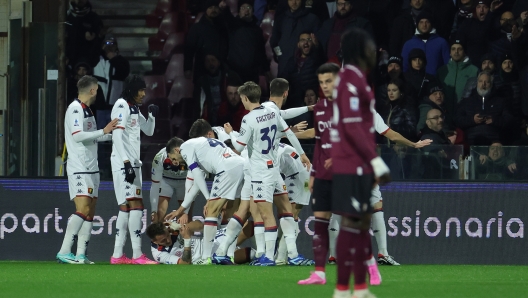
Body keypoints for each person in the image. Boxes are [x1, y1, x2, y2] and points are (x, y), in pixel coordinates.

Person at [331, 28, 390, 298]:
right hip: (352, 162)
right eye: (370, 47)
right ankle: (344, 290)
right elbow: (353, 126)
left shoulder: (354, 79)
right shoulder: (351, 82)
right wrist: (374, 160)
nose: (374, 51)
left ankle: (359, 288)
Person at [226, 81, 312, 266]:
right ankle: (294, 255)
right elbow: (289, 133)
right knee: (286, 210)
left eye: (241, 99)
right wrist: (303, 154)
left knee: (266, 215)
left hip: (260, 173)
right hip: (275, 171)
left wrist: (231, 134)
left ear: (246, 98)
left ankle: (268, 257)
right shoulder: (272, 113)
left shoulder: (248, 119)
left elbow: (239, 147)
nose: (241, 102)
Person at [162, 122, 244, 265]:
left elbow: (198, 178)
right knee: (230, 212)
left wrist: (209, 199)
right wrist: (181, 209)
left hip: (226, 168)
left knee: (212, 211)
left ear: (177, 150)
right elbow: (196, 185)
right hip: (241, 165)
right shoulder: (203, 145)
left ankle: (206, 258)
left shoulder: (185, 147)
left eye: (174, 158)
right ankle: (229, 255)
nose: (176, 162)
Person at [56, 76, 118, 264]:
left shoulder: (87, 111)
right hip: (79, 168)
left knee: (90, 212)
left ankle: (81, 254)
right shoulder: (75, 109)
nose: (97, 93)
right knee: (82, 209)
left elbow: (90, 138)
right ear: (92, 91)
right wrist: (103, 131)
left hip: (92, 168)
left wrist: (111, 137)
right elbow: (77, 136)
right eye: (97, 90)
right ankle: (64, 250)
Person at [110, 75, 158, 265]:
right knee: (136, 206)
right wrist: (126, 162)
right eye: (141, 90)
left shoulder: (134, 108)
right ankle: (137, 254)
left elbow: (149, 131)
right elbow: (117, 135)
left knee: (125, 208)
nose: (144, 94)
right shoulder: (121, 105)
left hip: (131, 162)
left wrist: (152, 116)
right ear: (132, 89)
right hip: (125, 163)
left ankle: (117, 254)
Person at [147, 221, 255, 265]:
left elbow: (200, 225)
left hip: (209, 242)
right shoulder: (159, 254)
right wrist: (187, 240)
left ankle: (269, 253)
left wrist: (182, 226)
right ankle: (261, 255)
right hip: (205, 258)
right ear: (154, 241)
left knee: (250, 226)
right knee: (250, 254)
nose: (168, 240)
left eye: (167, 235)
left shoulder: (171, 229)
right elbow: (185, 263)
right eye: (163, 240)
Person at [456, 71, 515, 145]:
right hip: (471, 141)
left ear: (491, 84)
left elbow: (509, 120)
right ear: (477, 83)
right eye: (480, 81)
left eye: (487, 82)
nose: (483, 84)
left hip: (495, 142)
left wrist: (494, 120)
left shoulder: (501, 101)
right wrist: (472, 120)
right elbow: (457, 120)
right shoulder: (467, 102)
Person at [224, 1, 270, 84]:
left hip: (252, 73)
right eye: (243, 8)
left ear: (253, 11)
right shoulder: (233, 26)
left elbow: (261, 52)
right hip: (235, 72)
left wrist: (266, 69)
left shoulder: (257, 30)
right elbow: (227, 17)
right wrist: (225, 8)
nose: (246, 10)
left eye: (249, 8)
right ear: (239, 12)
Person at [270, 0, 320, 77]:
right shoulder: (280, 19)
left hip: (305, 67)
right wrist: (280, 56)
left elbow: (317, 44)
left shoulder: (312, 19)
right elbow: (274, 41)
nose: (294, 2)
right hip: (284, 64)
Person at [184, 0, 229, 82]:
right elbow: (189, 50)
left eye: (216, 7)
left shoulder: (223, 28)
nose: (213, 10)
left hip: (220, 70)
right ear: (206, 10)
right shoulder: (196, 28)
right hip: (201, 71)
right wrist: (187, 68)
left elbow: (226, 47)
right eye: (211, 7)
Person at [149, 138, 191, 224]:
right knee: (159, 215)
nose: (174, 162)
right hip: (166, 181)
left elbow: (192, 185)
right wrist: (153, 211)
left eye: (174, 159)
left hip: (185, 182)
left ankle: (183, 237)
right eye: (171, 159)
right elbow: (155, 185)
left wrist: (186, 212)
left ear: (177, 151)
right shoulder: (159, 158)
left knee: (185, 218)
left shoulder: (191, 155)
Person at [279, 31, 324, 109]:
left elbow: (320, 56)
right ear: (298, 44)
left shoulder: (316, 59)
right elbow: (283, 78)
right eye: (303, 40)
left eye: (309, 40)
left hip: (310, 103)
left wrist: (317, 46)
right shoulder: (292, 61)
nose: (306, 42)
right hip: (294, 104)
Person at [93, 37, 130, 129]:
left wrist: (114, 59)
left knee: (115, 133)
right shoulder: (96, 59)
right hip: (99, 104)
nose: (109, 47)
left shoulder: (121, 61)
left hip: (115, 104)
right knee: (100, 133)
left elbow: (124, 72)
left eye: (112, 44)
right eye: (106, 44)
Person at [197, 53, 242, 127]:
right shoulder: (201, 82)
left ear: (218, 62)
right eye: (207, 61)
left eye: (213, 60)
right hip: (210, 122)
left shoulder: (231, 76)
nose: (210, 63)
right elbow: (198, 108)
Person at [436, 39, 479, 115]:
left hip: (465, 114)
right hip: (445, 114)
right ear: (450, 52)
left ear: (464, 52)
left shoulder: (474, 70)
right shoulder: (442, 70)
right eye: (453, 49)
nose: (456, 52)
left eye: (459, 49)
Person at [456, 0, 503, 68]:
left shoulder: (495, 24)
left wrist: (491, 12)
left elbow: (484, 32)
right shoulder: (468, 24)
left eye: (485, 7)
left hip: (490, 66)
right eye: (478, 7)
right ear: (475, 9)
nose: (481, 10)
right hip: (471, 65)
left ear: (489, 9)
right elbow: (459, 41)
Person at [401, 11, 450, 76]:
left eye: (427, 22)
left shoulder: (441, 42)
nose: (424, 25)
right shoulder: (408, 44)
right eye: (421, 22)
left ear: (431, 24)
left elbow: (448, 65)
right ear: (417, 24)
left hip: (436, 82)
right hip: (414, 83)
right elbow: (405, 67)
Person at [65, 0, 103, 68]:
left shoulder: (94, 18)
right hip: (69, 64)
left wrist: (93, 38)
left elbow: (100, 42)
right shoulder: (66, 17)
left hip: (89, 65)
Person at [379, 78, 417, 143]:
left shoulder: (407, 107)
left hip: (401, 146)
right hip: (385, 147)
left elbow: (412, 129)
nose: (391, 93)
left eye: (394, 90)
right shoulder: (386, 108)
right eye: (388, 90)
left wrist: (392, 127)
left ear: (401, 91)